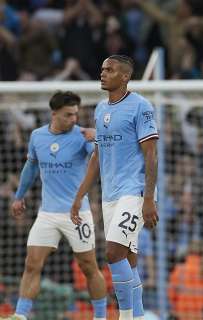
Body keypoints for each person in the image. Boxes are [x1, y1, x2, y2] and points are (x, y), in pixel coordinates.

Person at [71, 55, 159, 320]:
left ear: (124, 76)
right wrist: (79, 197)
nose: (103, 73)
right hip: (110, 195)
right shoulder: (100, 109)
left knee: (112, 252)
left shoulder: (141, 106)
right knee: (128, 261)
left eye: (109, 70)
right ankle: (139, 316)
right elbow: (96, 157)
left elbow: (151, 155)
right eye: (102, 69)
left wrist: (148, 199)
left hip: (134, 192)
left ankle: (125, 316)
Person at [8, 91, 107, 320]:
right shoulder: (37, 136)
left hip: (77, 214)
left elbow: (100, 162)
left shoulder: (82, 136)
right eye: (68, 115)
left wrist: (99, 140)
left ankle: (101, 317)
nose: (74, 119)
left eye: (76, 114)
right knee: (32, 263)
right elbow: (31, 167)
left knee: (89, 267)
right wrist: (19, 196)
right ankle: (20, 316)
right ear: (54, 114)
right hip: (48, 214)